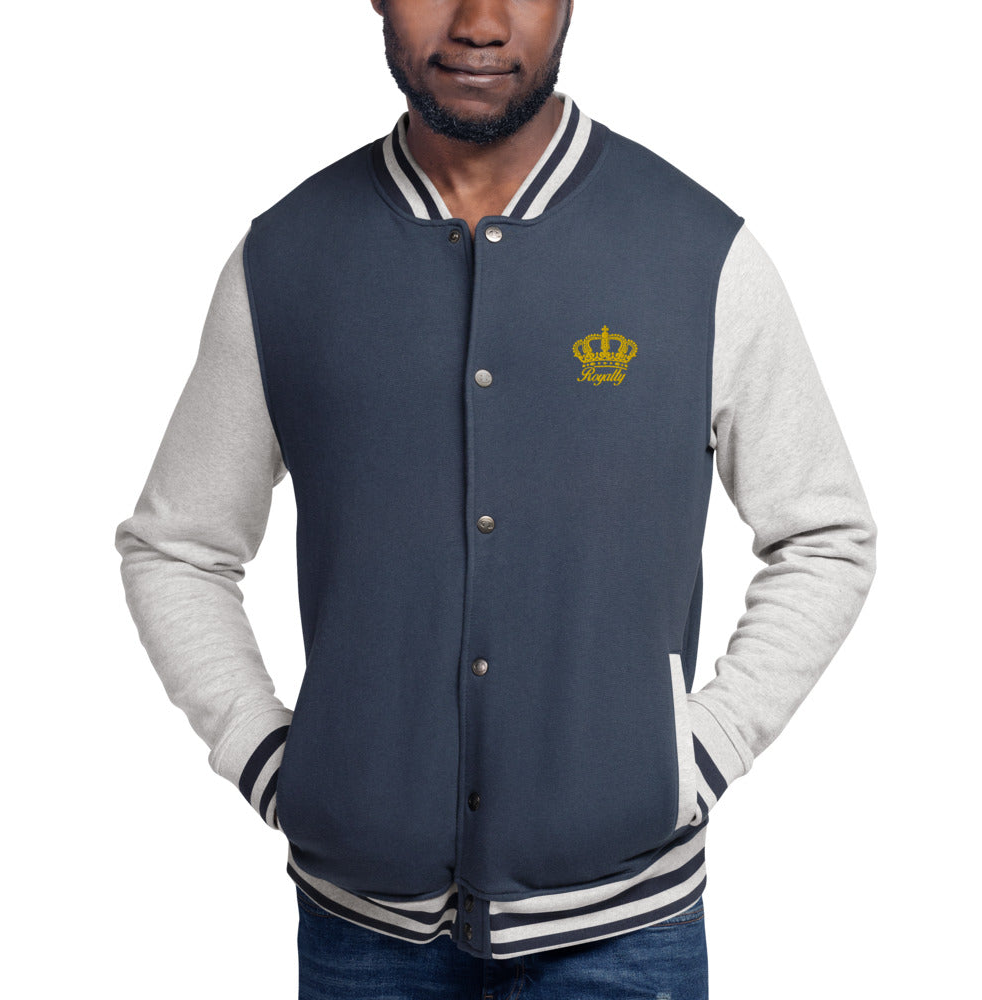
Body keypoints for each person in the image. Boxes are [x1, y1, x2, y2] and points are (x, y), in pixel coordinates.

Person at [114, 1, 878, 997]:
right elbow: (176, 546)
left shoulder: (699, 253)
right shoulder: (286, 260)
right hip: (360, 934)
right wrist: (263, 755)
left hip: (625, 936)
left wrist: (697, 754)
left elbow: (824, 534)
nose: (480, 21)